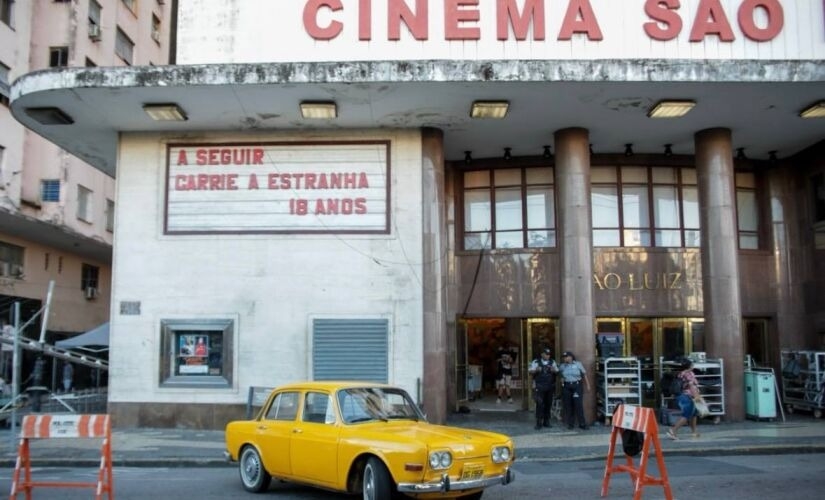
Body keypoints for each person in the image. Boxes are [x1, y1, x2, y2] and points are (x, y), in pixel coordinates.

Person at [667, 359, 701, 440]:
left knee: (694, 413)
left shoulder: (681, 373)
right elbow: (691, 385)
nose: (693, 365)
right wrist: (697, 396)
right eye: (692, 364)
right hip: (687, 396)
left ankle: (694, 432)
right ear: (690, 366)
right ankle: (673, 431)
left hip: (684, 396)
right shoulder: (689, 374)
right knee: (687, 414)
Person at [559, 351, 591, 430]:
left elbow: (584, 374)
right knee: (568, 406)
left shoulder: (578, 364)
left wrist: (588, 385)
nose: (564, 359)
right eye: (564, 357)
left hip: (576, 385)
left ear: (570, 357)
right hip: (566, 386)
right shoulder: (562, 366)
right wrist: (561, 379)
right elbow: (560, 375)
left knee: (578, 405)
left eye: (566, 357)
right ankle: (570, 424)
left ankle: (582, 423)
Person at [529, 347, 558, 430]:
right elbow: (530, 372)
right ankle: (539, 422)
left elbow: (557, 371)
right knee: (540, 404)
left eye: (549, 354)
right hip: (539, 386)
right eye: (546, 354)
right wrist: (536, 370)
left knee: (548, 404)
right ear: (542, 354)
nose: (548, 356)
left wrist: (554, 370)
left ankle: (546, 421)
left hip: (549, 386)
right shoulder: (536, 362)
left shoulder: (552, 362)